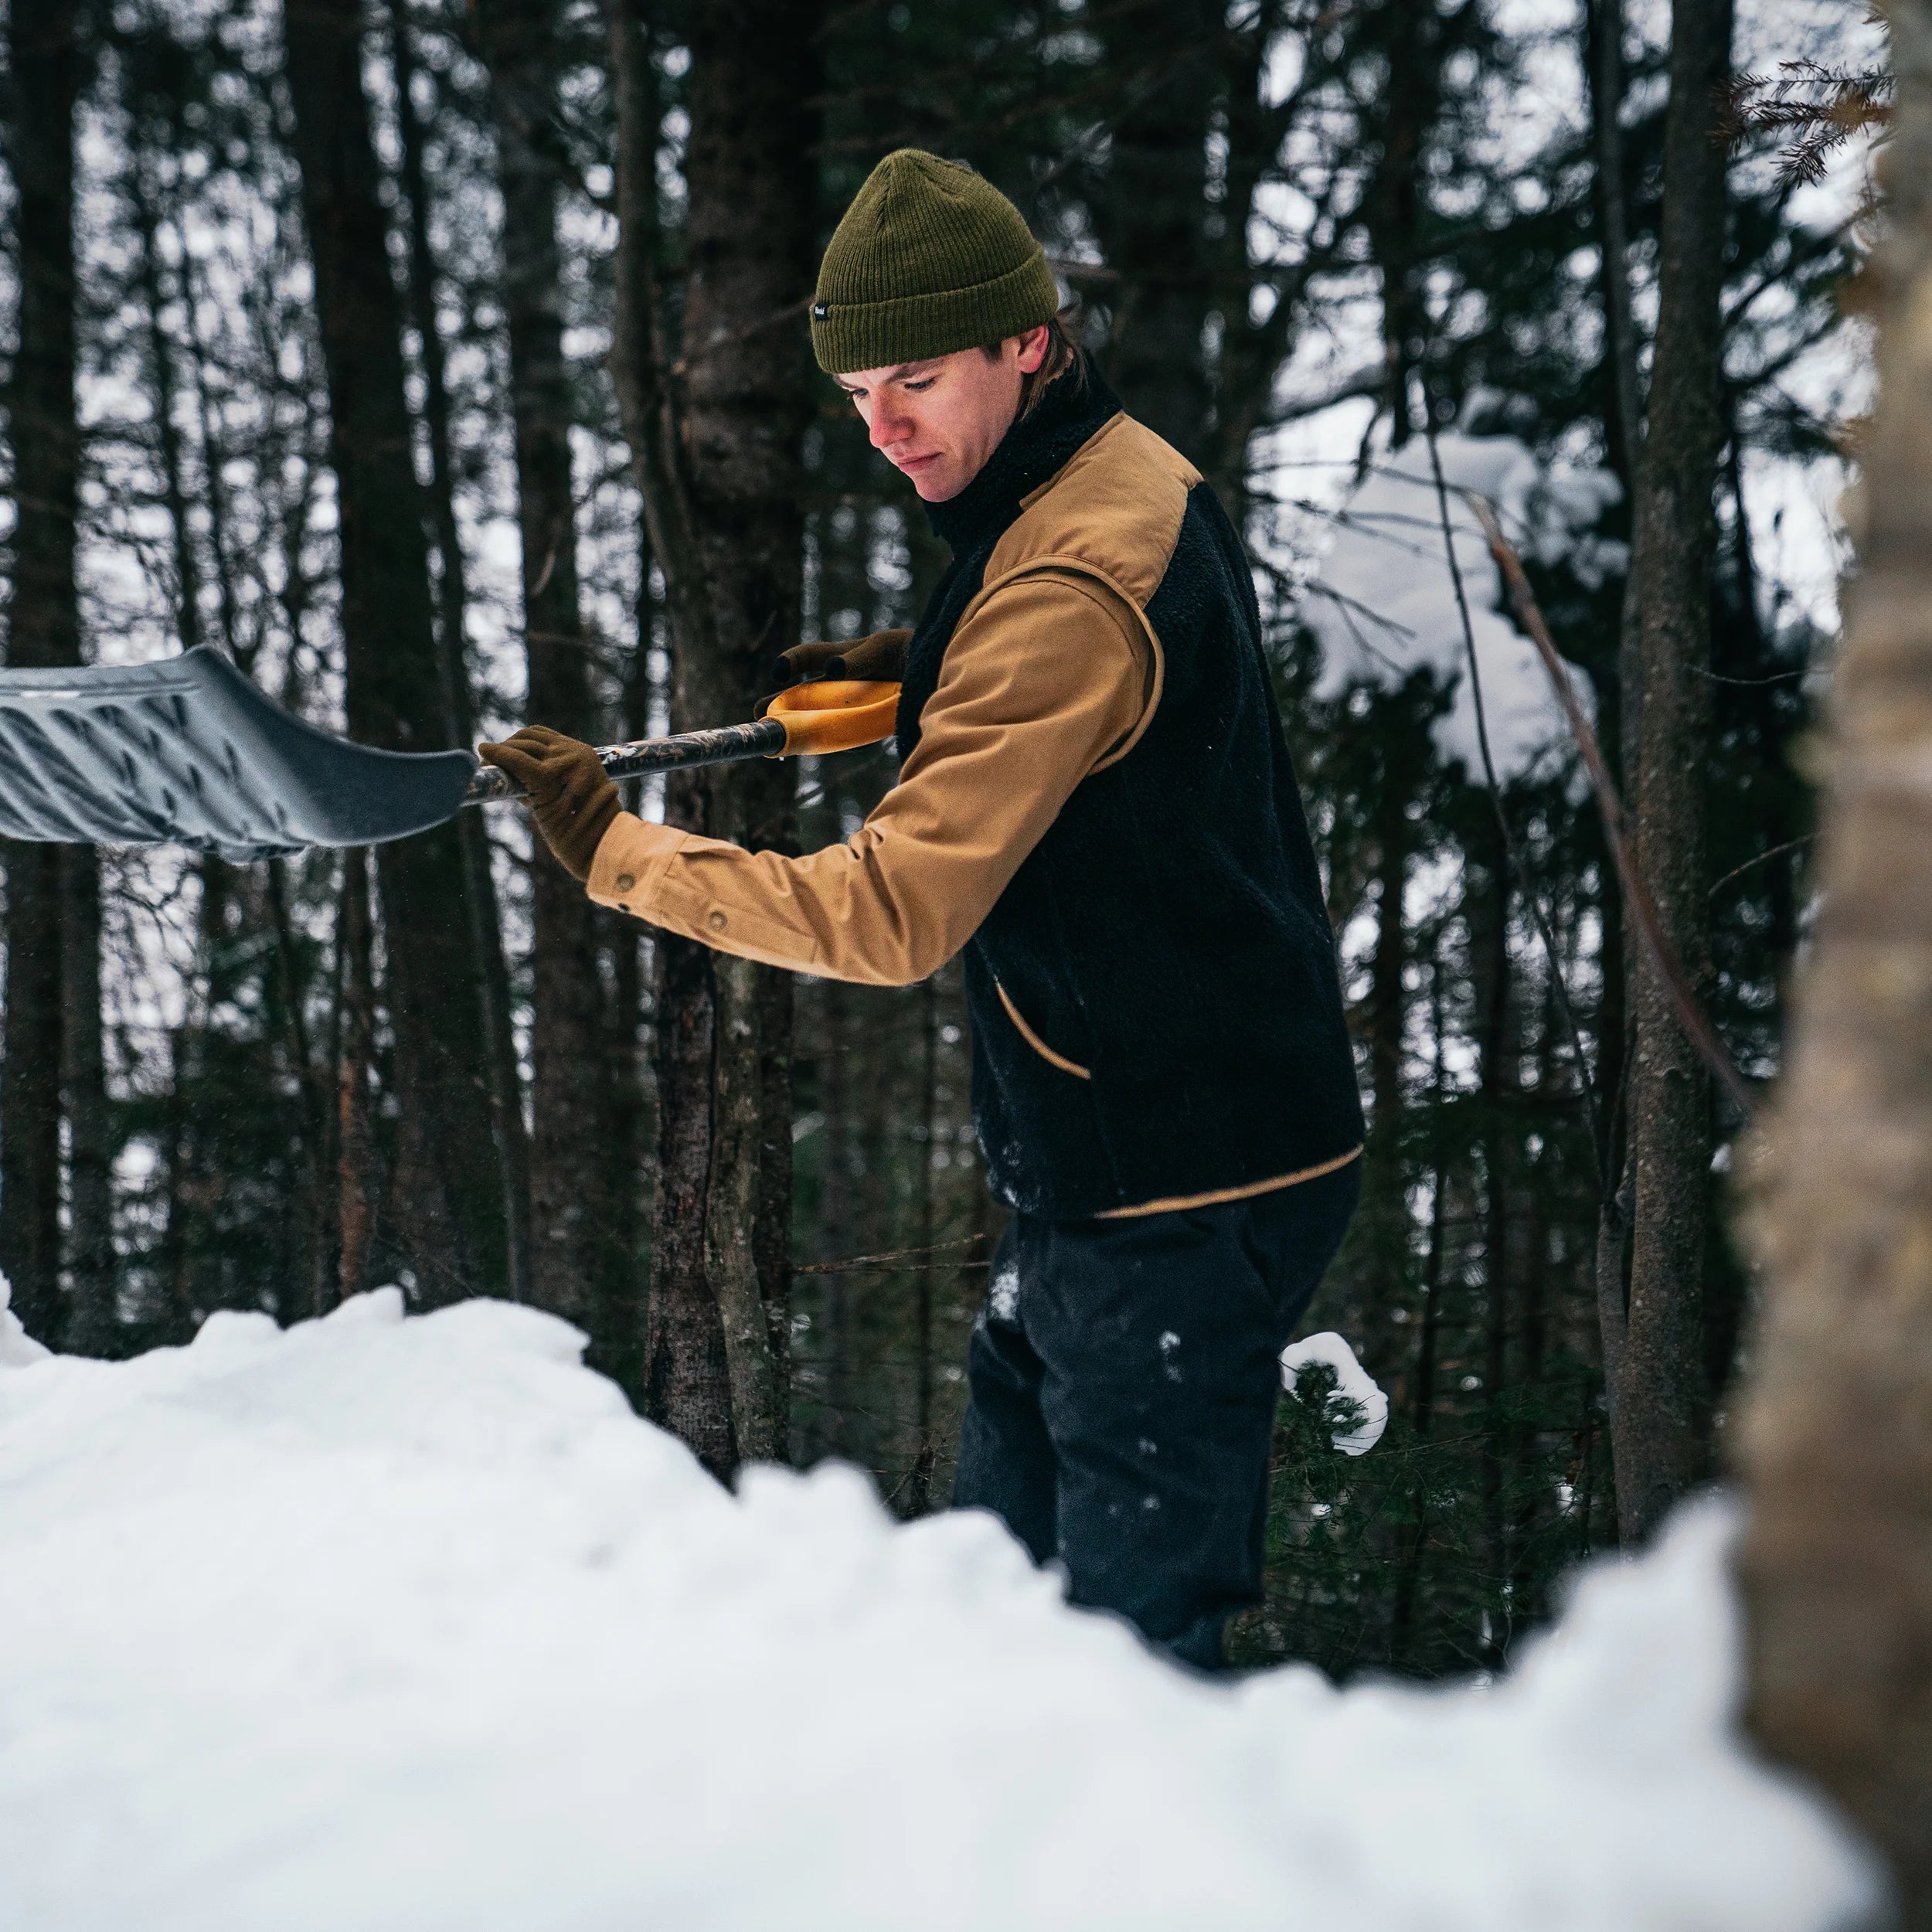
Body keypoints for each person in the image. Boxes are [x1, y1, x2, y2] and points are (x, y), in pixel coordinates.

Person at [481, 149, 1364, 1671]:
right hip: (1135, 1161)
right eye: (854, 396)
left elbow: (890, 912)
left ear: (1027, 341)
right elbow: (1080, 663)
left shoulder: (1063, 587)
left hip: (1168, 1184)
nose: (883, 430)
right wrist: (909, 669)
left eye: (916, 381)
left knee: (1122, 1673)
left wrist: (619, 851)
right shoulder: (1113, 472)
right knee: (996, 1619)